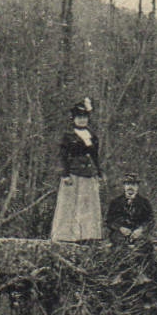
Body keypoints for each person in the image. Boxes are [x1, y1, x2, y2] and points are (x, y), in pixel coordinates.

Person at [49, 98, 104, 242]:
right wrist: (65, 174)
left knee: (87, 204)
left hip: (89, 174)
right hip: (73, 174)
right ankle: (65, 235)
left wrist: (99, 172)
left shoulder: (92, 136)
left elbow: (95, 156)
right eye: (79, 117)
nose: (82, 120)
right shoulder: (68, 136)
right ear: (73, 119)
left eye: (84, 117)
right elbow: (62, 156)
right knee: (69, 204)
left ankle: (87, 235)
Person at [106, 173, 154, 245]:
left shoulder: (144, 202)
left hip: (139, 235)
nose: (130, 187)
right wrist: (120, 228)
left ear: (137, 187)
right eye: (128, 184)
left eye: (133, 185)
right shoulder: (115, 202)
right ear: (124, 186)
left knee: (144, 245)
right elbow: (109, 220)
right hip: (120, 235)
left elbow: (150, 220)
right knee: (119, 246)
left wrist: (140, 229)